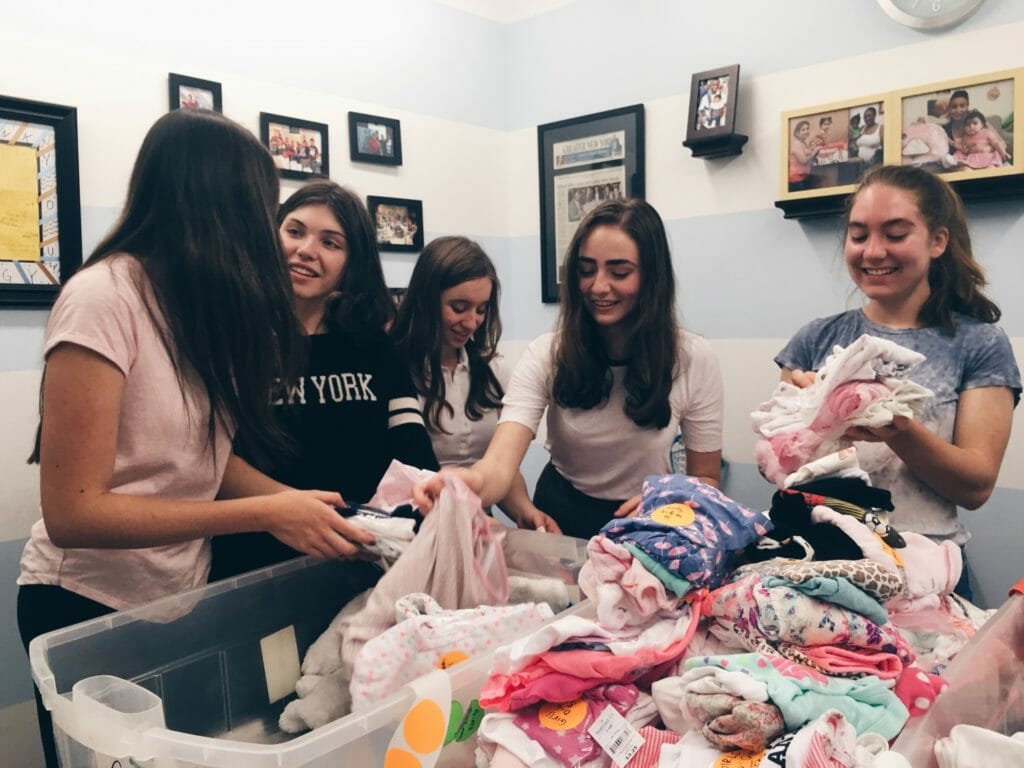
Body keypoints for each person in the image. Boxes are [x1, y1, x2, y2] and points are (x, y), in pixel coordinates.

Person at [16, 110, 375, 768]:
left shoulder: (200, 310)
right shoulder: (103, 298)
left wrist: (299, 506)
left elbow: (205, 459)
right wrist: (266, 513)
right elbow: (73, 510)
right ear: (219, 204)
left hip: (179, 600)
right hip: (81, 607)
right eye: (267, 211)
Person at [775, 165, 1021, 600]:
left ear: (937, 241)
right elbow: (782, 467)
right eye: (858, 235)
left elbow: (976, 486)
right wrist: (802, 421)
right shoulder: (815, 339)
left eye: (895, 233)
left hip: (927, 571)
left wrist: (901, 432)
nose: (872, 252)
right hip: (823, 563)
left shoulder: (978, 344)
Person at [413, 199, 724, 539]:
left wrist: (669, 499)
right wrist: (471, 481)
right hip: (563, 519)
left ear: (652, 277)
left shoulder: (693, 358)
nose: (598, 286)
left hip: (649, 523)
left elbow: (706, 478)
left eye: (619, 272)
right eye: (586, 270)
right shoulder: (548, 353)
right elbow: (501, 463)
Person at [210, 181, 439, 579]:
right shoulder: (232, 341)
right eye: (295, 231)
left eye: (331, 243)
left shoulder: (375, 345)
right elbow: (208, 459)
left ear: (354, 262)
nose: (306, 250)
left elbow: (412, 451)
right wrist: (294, 508)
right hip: (251, 565)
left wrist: (440, 497)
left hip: (362, 559)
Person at [391, 236, 560, 533]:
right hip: (413, 529)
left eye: (481, 310)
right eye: (459, 307)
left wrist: (525, 510)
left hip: (479, 531)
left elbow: (499, 467)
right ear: (426, 299)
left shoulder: (493, 370)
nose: (471, 322)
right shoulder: (393, 373)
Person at [789, 120, 821, 191]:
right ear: (797, 133)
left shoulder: (803, 143)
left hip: (803, 177)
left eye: (807, 128)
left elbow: (808, 154)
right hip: (796, 180)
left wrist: (814, 149)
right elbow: (803, 161)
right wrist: (814, 151)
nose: (806, 131)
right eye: (803, 130)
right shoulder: (797, 144)